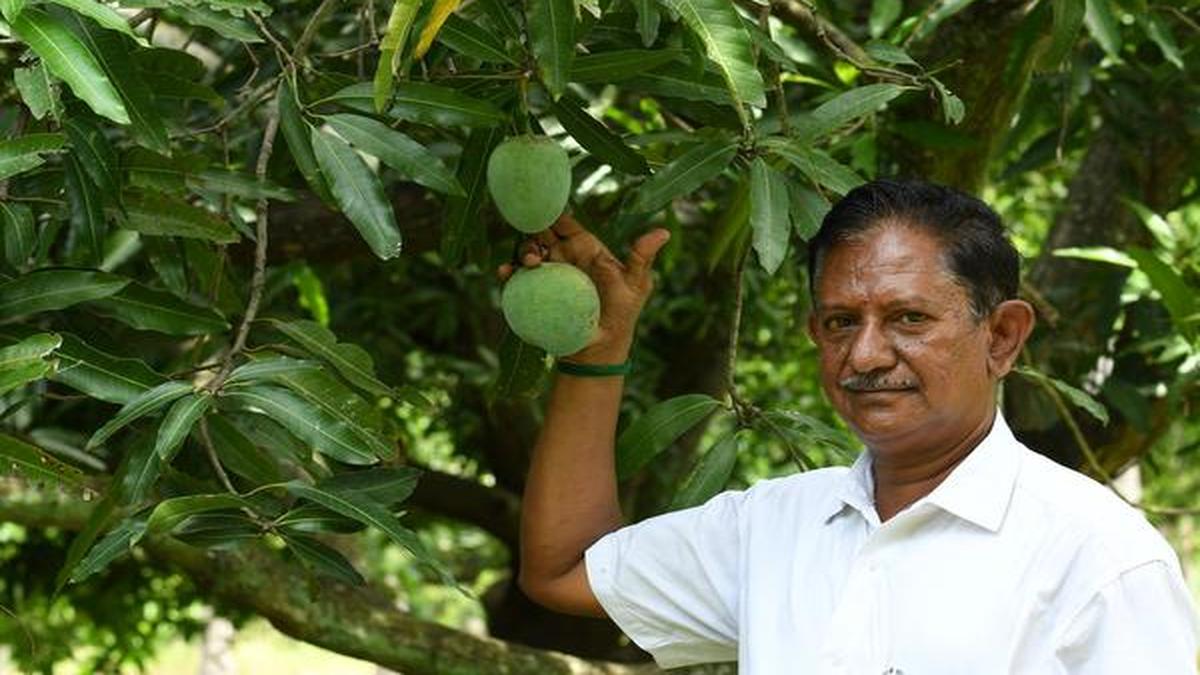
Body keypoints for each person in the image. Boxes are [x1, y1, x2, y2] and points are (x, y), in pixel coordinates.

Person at [503, 179, 1199, 673]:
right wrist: (598, 354)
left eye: (909, 318)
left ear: (1004, 337)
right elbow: (563, 568)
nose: (864, 354)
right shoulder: (772, 528)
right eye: (841, 322)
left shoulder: (1098, 557)